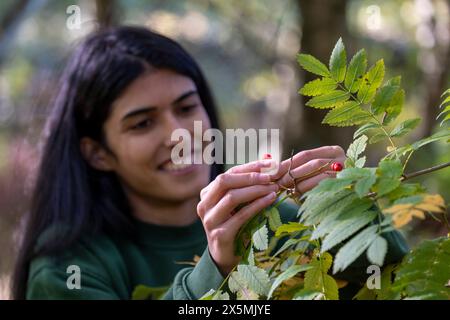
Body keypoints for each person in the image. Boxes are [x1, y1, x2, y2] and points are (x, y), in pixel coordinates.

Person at [12, 26, 408, 300]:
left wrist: (352, 216)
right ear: (97, 152)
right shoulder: (69, 268)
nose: (179, 134)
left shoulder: (281, 225)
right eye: (143, 123)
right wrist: (217, 269)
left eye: (186, 107)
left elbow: (399, 285)